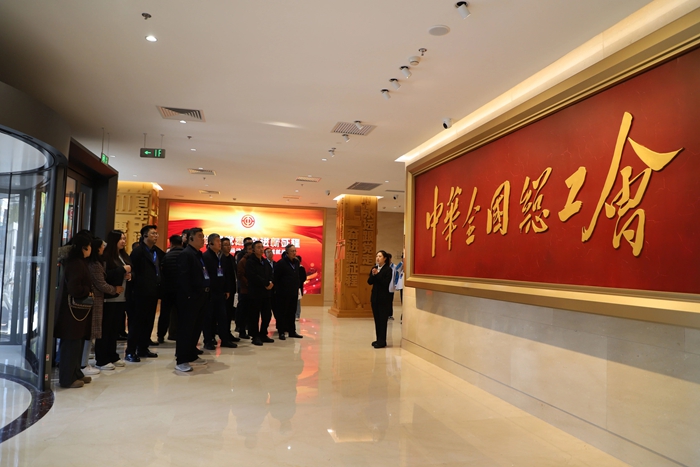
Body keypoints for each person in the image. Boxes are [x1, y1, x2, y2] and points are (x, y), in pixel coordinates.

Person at [54, 233, 94, 388]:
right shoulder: (76, 263)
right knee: (70, 345)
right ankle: (67, 378)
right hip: (71, 313)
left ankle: (76, 373)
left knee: (76, 344)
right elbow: (74, 288)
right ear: (84, 248)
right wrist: (87, 291)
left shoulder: (78, 262)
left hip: (76, 312)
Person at [127, 225, 165, 361]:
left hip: (153, 292)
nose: (156, 236)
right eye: (153, 233)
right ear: (145, 236)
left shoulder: (156, 251)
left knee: (148, 322)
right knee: (137, 323)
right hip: (140, 292)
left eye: (156, 234)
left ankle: (143, 348)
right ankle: (130, 351)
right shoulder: (138, 252)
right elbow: (133, 271)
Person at [175, 227, 210, 372]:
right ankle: (181, 359)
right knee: (186, 328)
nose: (203, 239)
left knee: (196, 327)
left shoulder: (198, 254)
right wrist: (190, 295)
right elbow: (183, 277)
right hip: (190, 298)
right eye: (200, 236)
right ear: (190, 238)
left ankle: (191, 354)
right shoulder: (186, 254)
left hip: (201, 296)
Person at [88, 237, 124, 370]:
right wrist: (115, 289)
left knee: (112, 329)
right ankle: (101, 359)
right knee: (103, 331)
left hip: (112, 298)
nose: (104, 248)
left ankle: (111, 356)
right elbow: (101, 283)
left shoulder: (104, 260)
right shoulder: (95, 263)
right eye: (102, 246)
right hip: (103, 299)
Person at [202, 233, 238, 349]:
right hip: (210, 292)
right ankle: (208, 340)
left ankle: (225, 339)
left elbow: (225, 274)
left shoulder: (221, 257)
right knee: (209, 317)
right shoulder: (206, 256)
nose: (220, 244)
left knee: (223, 316)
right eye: (217, 241)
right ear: (211, 243)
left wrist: (227, 289)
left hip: (220, 292)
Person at [102, 230, 132, 359]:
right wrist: (122, 270)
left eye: (125, 238)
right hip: (110, 297)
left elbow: (131, 270)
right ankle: (103, 357)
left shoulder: (124, 255)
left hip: (122, 297)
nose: (124, 241)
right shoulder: (106, 256)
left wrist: (130, 275)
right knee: (107, 329)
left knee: (115, 329)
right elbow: (105, 275)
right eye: (121, 239)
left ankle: (113, 356)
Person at [246, 241, 275, 346]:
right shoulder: (250, 262)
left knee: (267, 315)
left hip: (266, 293)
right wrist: (265, 283)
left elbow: (271, 273)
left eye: (262, 247)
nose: (261, 249)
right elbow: (253, 276)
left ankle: (263, 333)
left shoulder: (265, 261)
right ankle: (255, 336)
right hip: (255, 293)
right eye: (258, 247)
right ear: (253, 250)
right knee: (254, 315)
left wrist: (271, 282)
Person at [159, 234, 184, 343]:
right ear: (181, 243)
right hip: (181, 290)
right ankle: (178, 334)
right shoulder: (185, 255)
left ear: (171, 243)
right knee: (180, 313)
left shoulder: (166, 256)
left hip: (167, 289)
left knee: (165, 314)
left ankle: (160, 335)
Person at [274, 245, 303, 340]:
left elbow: (297, 276)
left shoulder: (296, 262)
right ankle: (281, 332)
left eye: (295, 251)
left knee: (292, 312)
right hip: (283, 292)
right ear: (287, 253)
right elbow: (276, 278)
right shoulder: (281, 263)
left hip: (293, 291)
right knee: (282, 312)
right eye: (292, 251)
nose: (294, 253)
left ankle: (292, 331)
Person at [367, 250, 393, 349]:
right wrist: (373, 275)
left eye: (380, 256)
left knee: (382, 320)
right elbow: (369, 282)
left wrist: (378, 274)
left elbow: (385, 283)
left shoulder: (388, 270)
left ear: (385, 258)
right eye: (377, 256)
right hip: (375, 298)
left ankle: (382, 341)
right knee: (377, 319)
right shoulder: (374, 268)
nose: (378, 258)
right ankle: (378, 339)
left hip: (384, 299)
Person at [235, 242, 254, 339]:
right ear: (246, 250)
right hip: (245, 290)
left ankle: (252, 331)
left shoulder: (256, 261)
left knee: (252, 312)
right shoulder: (243, 261)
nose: (251, 251)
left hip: (254, 291)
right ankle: (241, 330)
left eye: (252, 249)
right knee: (243, 311)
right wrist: (249, 283)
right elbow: (240, 275)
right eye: (250, 249)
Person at [221, 237, 238, 337]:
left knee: (229, 312)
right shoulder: (220, 258)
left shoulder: (231, 258)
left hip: (232, 289)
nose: (228, 247)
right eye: (226, 245)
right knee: (223, 313)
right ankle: (223, 333)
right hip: (224, 290)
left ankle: (228, 332)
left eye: (229, 244)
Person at [296, 255, 307, 320]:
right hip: (291, 287)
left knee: (297, 302)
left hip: (299, 287)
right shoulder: (292, 267)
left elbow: (304, 278)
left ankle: (297, 315)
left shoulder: (301, 268)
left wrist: (298, 284)